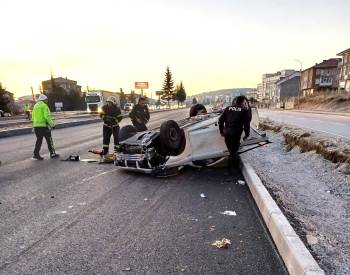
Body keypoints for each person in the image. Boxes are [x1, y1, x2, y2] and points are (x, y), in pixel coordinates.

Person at [218, 96, 251, 170]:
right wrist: (247, 134)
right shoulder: (244, 110)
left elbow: (220, 120)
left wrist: (221, 131)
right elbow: (246, 124)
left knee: (231, 151)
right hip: (236, 133)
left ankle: (232, 168)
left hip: (227, 133)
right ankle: (232, 170)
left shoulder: (228, 108)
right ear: (243, 102)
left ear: (236, 101)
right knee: (233, 152)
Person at [32, 94, 59, 160]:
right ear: (44, 100)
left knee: (39, 141)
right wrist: (52, 125)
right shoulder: (44, 106)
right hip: (44, 127)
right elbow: (47, 117)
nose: (47, 101)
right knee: (49, 140)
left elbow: (32, 117)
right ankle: (52, 153)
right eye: (46, 100)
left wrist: (34, 125)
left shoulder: (35, 106)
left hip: (36, 127)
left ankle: (36, 154)